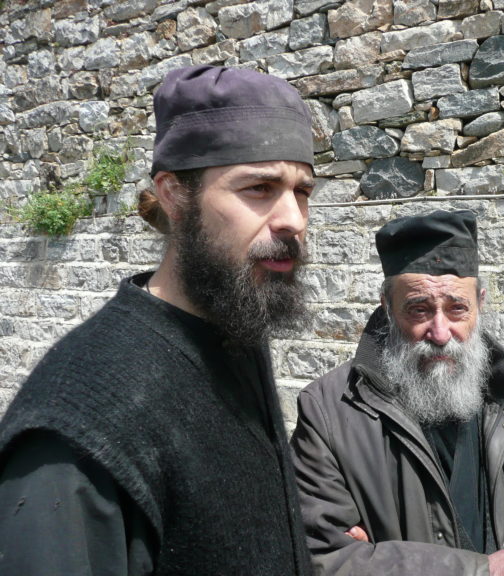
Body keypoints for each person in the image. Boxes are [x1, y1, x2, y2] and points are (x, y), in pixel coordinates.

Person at [0, 65, 317, 575]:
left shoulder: (235, 328)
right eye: (260, 188)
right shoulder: (76, 428)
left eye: (302, 192)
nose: (293, 220)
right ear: (173, 194)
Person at [291, 210, 504, 576]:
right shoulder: (328, 411)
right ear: (387, 306)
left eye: (457, 308)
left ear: (479, 303)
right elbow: (320, 553)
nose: (440, 332)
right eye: (419, 309)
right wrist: (478, 571)